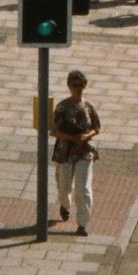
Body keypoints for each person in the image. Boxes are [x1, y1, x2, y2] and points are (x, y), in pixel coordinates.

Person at [52, 68, 101, 232]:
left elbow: (96, 127)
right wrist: (72, 138)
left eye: (80, 85)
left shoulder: (89, 106)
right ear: (69, 86)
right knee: (64, 187)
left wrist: (86, 136)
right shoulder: (62, 107)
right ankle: (65, 205)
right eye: (74, 85)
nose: (78, 88)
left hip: (84, 152)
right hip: (65, 151)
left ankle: (82, 224)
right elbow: (55, 131)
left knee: (83, 189)